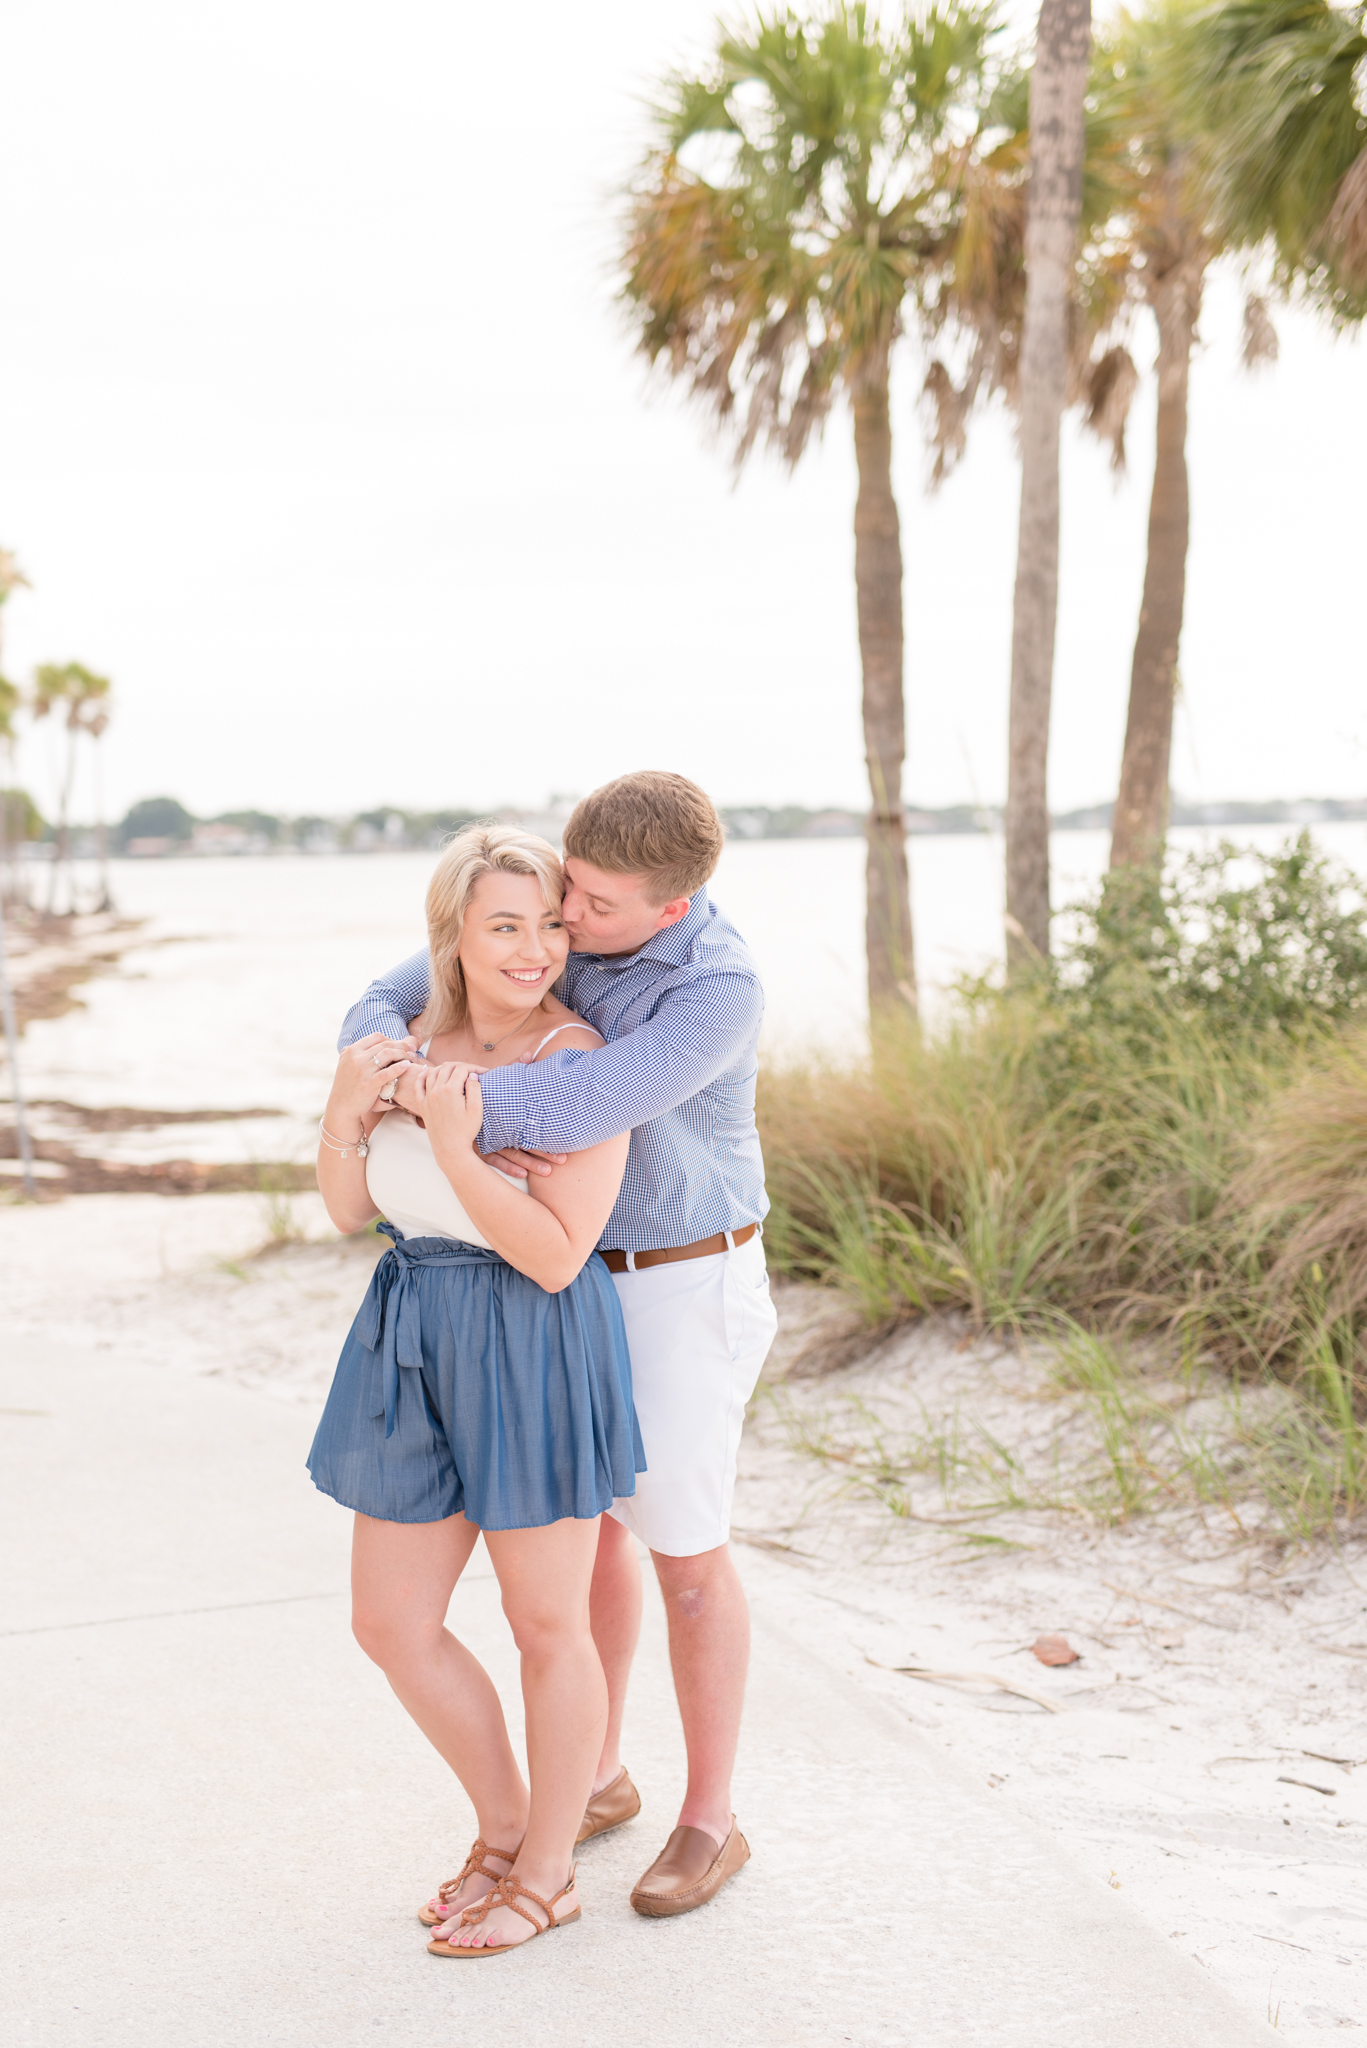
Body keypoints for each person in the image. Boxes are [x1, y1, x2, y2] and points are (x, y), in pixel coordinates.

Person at [341, 770, 778, 1919]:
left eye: (592, 906)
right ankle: (593, 1775)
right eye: (563, 891)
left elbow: (581, 1106)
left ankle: (709, 1817)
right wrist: (377, 1061)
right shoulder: (565, 921)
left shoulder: (714, 988)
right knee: (592, 1555)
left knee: (684, 1555)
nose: (567, 924)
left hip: (677, 1276)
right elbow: (387, 994)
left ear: (667, 909)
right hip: (570, 1281)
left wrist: (442, 1108)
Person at [309, 823, 644, 1956]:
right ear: (452, 930)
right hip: (411, 1327)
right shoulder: (400, 1040)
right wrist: (346, 1114)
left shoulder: (579, 1061)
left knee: (545, 1620)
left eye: (550, 923)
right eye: (506, 923)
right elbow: (350, 1211)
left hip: (532, 1337)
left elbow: (556, 1253)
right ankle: (504, 1827)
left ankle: (547, 1873)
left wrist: (456, 1146)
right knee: (390, 1621)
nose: (534, 947)